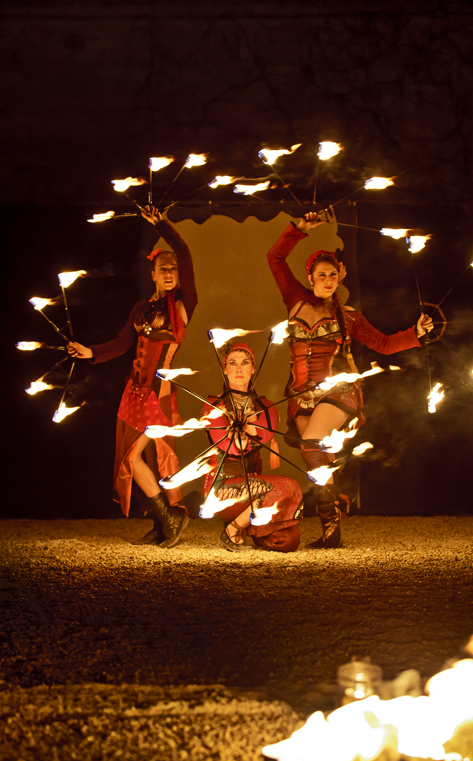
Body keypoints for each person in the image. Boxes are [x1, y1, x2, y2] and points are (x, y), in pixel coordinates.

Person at [267, 211, 433, 549]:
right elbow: (275, 257)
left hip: (339, 391)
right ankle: (332, 523)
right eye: (320, 275)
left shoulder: (349, 317)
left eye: (332, 275)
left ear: (339, 278)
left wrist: (415, 333)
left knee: (314, 443)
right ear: (309, 278)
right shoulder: (294, 299)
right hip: (300, 395)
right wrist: (300, 229)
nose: (327, 280)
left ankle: (333, 507)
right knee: (314, 461)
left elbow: (384, 344)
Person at [67, 205, 197, 547]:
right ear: (152, 274)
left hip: (158, 390)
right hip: (134, 391)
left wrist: (162, 224)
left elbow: (183, 251)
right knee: (140, 458)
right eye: (162, 268)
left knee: (133, 458)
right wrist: (90, 351)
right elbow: (123, 344)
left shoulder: (183, 304)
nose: (169, 272)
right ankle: (160, 522)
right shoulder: (141, 309)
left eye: (173, 269)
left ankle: (172, 518)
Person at [202, 342, 303, 553]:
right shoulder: (213, 406)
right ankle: (233, 527)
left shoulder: (266, 408)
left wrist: (249, 418)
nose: (239, 369)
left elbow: (260, 439)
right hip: (221, 490)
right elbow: (232, 447)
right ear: (225, 369)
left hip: (256, 491)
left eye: (245, 363)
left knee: (287, 540)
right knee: (289, 486)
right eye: (233, 363)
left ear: (253, 369)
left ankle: (252, 527)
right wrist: (242, 426)